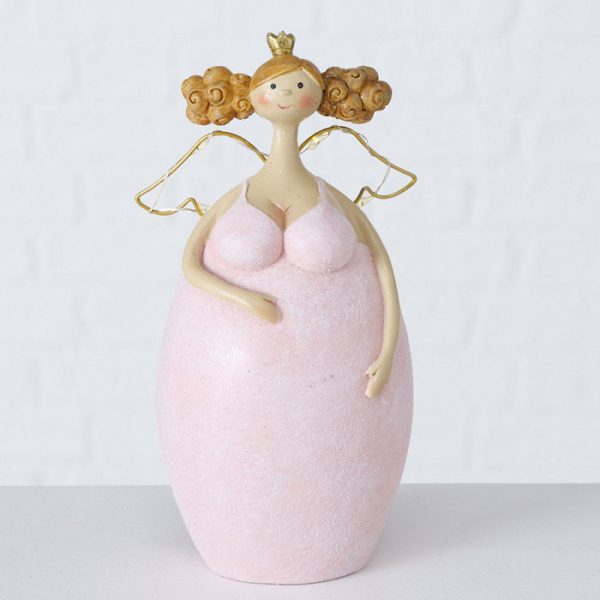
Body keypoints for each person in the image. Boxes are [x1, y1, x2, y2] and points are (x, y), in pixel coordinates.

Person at [141, 31, 416, 584]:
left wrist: (387, 351)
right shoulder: (236, 196)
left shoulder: (333, 199)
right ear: (252, 97)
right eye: (276, 87)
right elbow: (192, 263)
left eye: (299, 86)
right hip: (225, 392)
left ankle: (336, 543)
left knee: (336, 463)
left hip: (344, 385)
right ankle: (239, 543)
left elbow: (383, 266)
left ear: (320, 97)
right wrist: (240, 296)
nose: (288, 95)